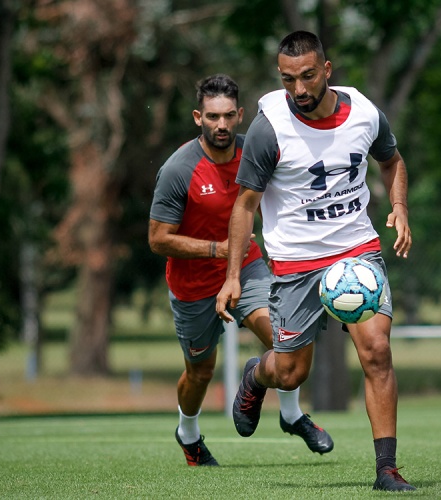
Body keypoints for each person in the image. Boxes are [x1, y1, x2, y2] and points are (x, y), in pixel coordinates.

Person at [215, 31, 415, 492]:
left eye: (307, 76)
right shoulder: (269, 128)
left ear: (327, 70)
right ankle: (257, 375)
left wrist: (400, 206)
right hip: (296, 260)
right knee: (291, 372)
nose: (299, 89)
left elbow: (392, 161)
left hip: (356, 249)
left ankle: (387, 469)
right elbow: (245, 206)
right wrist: (232, 277)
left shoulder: (364, 113)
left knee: (377, 351)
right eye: (288, 79)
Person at [148, 74, 333, 467]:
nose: (222, 125)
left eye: (229, 116)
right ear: (198, 117)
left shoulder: (255, 152)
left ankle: (290, 415)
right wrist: (217, 249)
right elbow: (158, 239)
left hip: (247, 269)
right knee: (200, 373)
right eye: (213, 116)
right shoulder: (179, 169)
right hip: (193, 286)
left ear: (241, 115)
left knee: (286, 340)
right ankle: (188, 433)